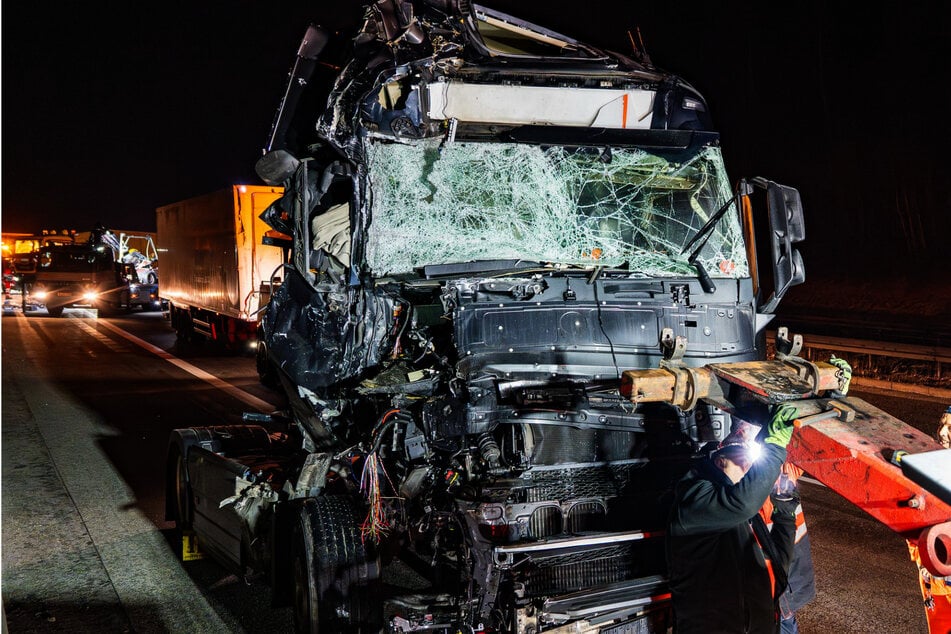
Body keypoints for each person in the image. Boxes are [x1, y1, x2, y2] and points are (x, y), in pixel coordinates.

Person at [666, 404, 799, 634]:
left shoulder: (736, 514)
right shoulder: (694, 501)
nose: (749, 472)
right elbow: (744, 502)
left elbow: (777, 563)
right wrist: (775, 447)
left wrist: (785, 513)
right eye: (744, 464)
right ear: (720, 461)